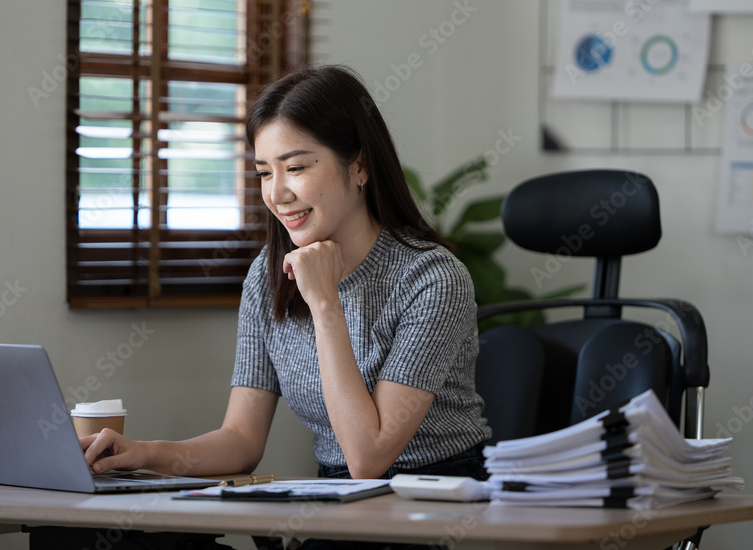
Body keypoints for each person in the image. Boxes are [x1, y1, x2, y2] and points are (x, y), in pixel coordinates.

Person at [81, 64, 490, 484]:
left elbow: (369, 460)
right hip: (340, 496)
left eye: (295, 168)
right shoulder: (268, 273)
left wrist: (325, 302)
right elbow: (241, 439)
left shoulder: (433, 279)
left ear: (360, 166)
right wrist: (142, 453)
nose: (277, 194)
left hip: (439, 494)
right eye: (264, 172)